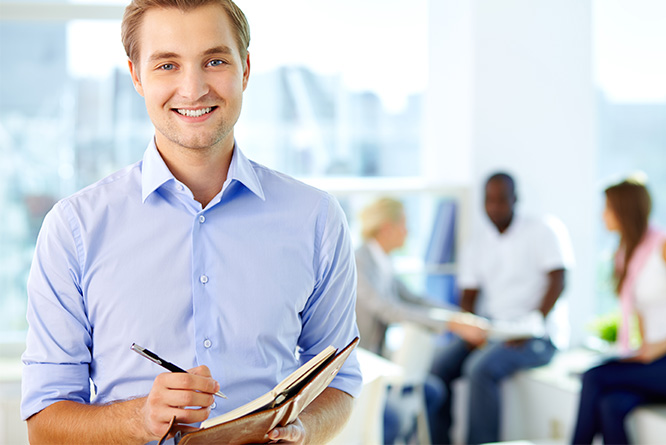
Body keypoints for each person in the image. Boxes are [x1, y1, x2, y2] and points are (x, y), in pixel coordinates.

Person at [20, 1, 361, 444]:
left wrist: (299, 429)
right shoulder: (74, 228)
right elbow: (45, 424)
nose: (193, 88)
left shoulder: (315, 219)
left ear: (245, 69)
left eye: (215, 61)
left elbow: (339, 380)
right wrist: (140, 418)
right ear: (137, 77)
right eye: (167, 65)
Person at [431, 172, 572, 445]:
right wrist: (472, 328)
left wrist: (532, 325)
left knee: (479, 369)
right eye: (489, 200)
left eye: (501, 200)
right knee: (440, 366)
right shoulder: (477, 243)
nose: (494, 207)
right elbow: (468, 296)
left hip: (537, 335)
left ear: (515, 199)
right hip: (495, 330)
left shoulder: (542, 230)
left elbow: (559, 281)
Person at [355, 197, 467, 444]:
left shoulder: (383, 262)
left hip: (381, 366)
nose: (408, 231)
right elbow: (389, 310)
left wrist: (458, 316)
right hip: (360, 369)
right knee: (394, 419)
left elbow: (414, 299)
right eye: (404, 223)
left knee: (432, 392)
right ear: (387, 227)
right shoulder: (360, 262)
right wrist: (449, 324)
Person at [571, 178, 666, 444]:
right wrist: (641, 350)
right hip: (651, 362)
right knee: (610, 404)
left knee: (593, 376)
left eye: (608, 208)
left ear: (625, 210)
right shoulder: (628, 253)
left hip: (662, 359)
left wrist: (658, 347)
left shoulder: (662, 246)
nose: (603, 215)